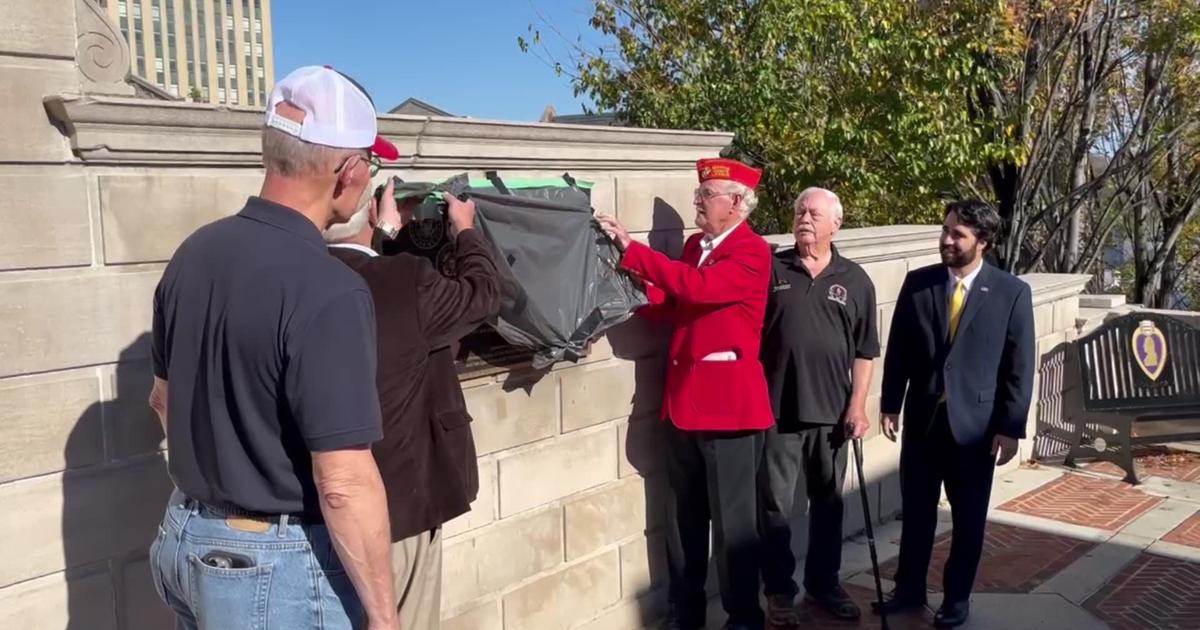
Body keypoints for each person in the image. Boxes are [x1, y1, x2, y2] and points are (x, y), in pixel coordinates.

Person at [147, 65, 402, 630]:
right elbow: (341, 482)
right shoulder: (330, 287)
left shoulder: (193, 254)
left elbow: (162, 401)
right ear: (350, 171)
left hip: (185, 538)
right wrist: (386, 619)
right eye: (371, 163)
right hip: (271, 569)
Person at [598, 158, 774, 630]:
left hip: (730, 413)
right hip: (682, 407)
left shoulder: (753, 252)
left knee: (734, 527)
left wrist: (633, 249)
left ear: (737, 203)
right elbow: (674, 302)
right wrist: (633, 287)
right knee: (683, 522)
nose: (696, 202)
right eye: (698, 194)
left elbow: (698, 288)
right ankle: (687, 611)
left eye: (706, 195)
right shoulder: (697, 245)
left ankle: (743, 617)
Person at [324, 177, 501, 628]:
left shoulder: (301, 274)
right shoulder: (405, 280)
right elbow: (481, 295)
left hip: (323, 509)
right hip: (399, 506)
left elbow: (368, 285)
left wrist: (381, 234)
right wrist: (464, 230)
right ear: (367, 211)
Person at [876, 199, 1035, 628]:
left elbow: (1019, 366)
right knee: (917, 513)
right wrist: (891, 402)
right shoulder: (919, 284)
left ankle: (956, 598)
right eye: (945, 230)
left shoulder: (1011, 292)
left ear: (981, 242)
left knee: (967, 521)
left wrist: (1009, 427)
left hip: (976, 431)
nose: (947, 240)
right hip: (924, 424)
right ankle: (907, 589)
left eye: (958, 235)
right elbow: (901, 350)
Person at [757, 188, 879, 626]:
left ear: (835, 224)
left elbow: (865, 351)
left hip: (832, 417)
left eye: (814, 213)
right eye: (799, 212)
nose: (804, 218)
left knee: (828, 505)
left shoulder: (856, 279)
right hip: (776, 413)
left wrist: (858, 407)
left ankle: (824, 584)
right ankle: (779, 591)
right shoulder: (772, 269)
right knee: (774, 506)